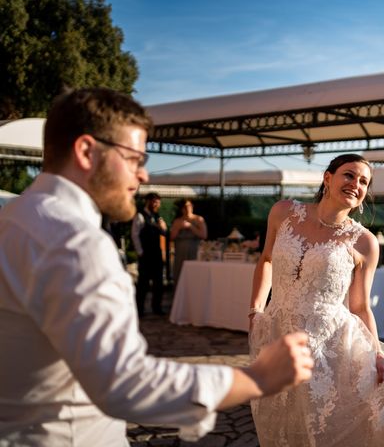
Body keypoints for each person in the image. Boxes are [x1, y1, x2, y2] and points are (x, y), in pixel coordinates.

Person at [0, 88, 313, 445]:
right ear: (86, 151)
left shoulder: (12, 218)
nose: (145, 175)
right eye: (135, 158)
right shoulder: (75, 242)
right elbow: (124, 381)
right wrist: (256, 379)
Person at [248, 154, 384, 446]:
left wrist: (377, 354)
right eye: (349, 175)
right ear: (328, 178)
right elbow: (265, 260)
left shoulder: (364, 242)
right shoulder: (282, 212)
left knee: (324, 426)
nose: (356, 184)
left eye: (364, 181)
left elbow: (361, 306)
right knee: (281, 417)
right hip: (276, 333)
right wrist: (256, 310)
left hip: (329, 347)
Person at [132, 192, 168, 315]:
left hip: (156, 253)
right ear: (147, 201)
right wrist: (140, 252)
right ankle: (139, 309)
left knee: (159, 282)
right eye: (153, 201)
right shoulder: (140, 216)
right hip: (145, 254)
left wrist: (163, 227)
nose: (155, 203)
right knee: (143, 283)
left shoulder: (158, 216)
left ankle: (157, 308)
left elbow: (164, 233)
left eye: (157, 201)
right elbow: (135, 234)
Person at [170, 198, 208, 283]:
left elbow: (204, 235)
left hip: (194, 250)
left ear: (192, 207)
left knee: (194, 273)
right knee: (180, 272)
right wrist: (178, 228)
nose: (187, 208)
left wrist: (191, 226)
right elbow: (172, 237)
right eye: (185, 207)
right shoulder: (177, 221)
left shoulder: (199, 219)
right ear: (182, 209)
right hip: (180, 252)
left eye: (189, 206)